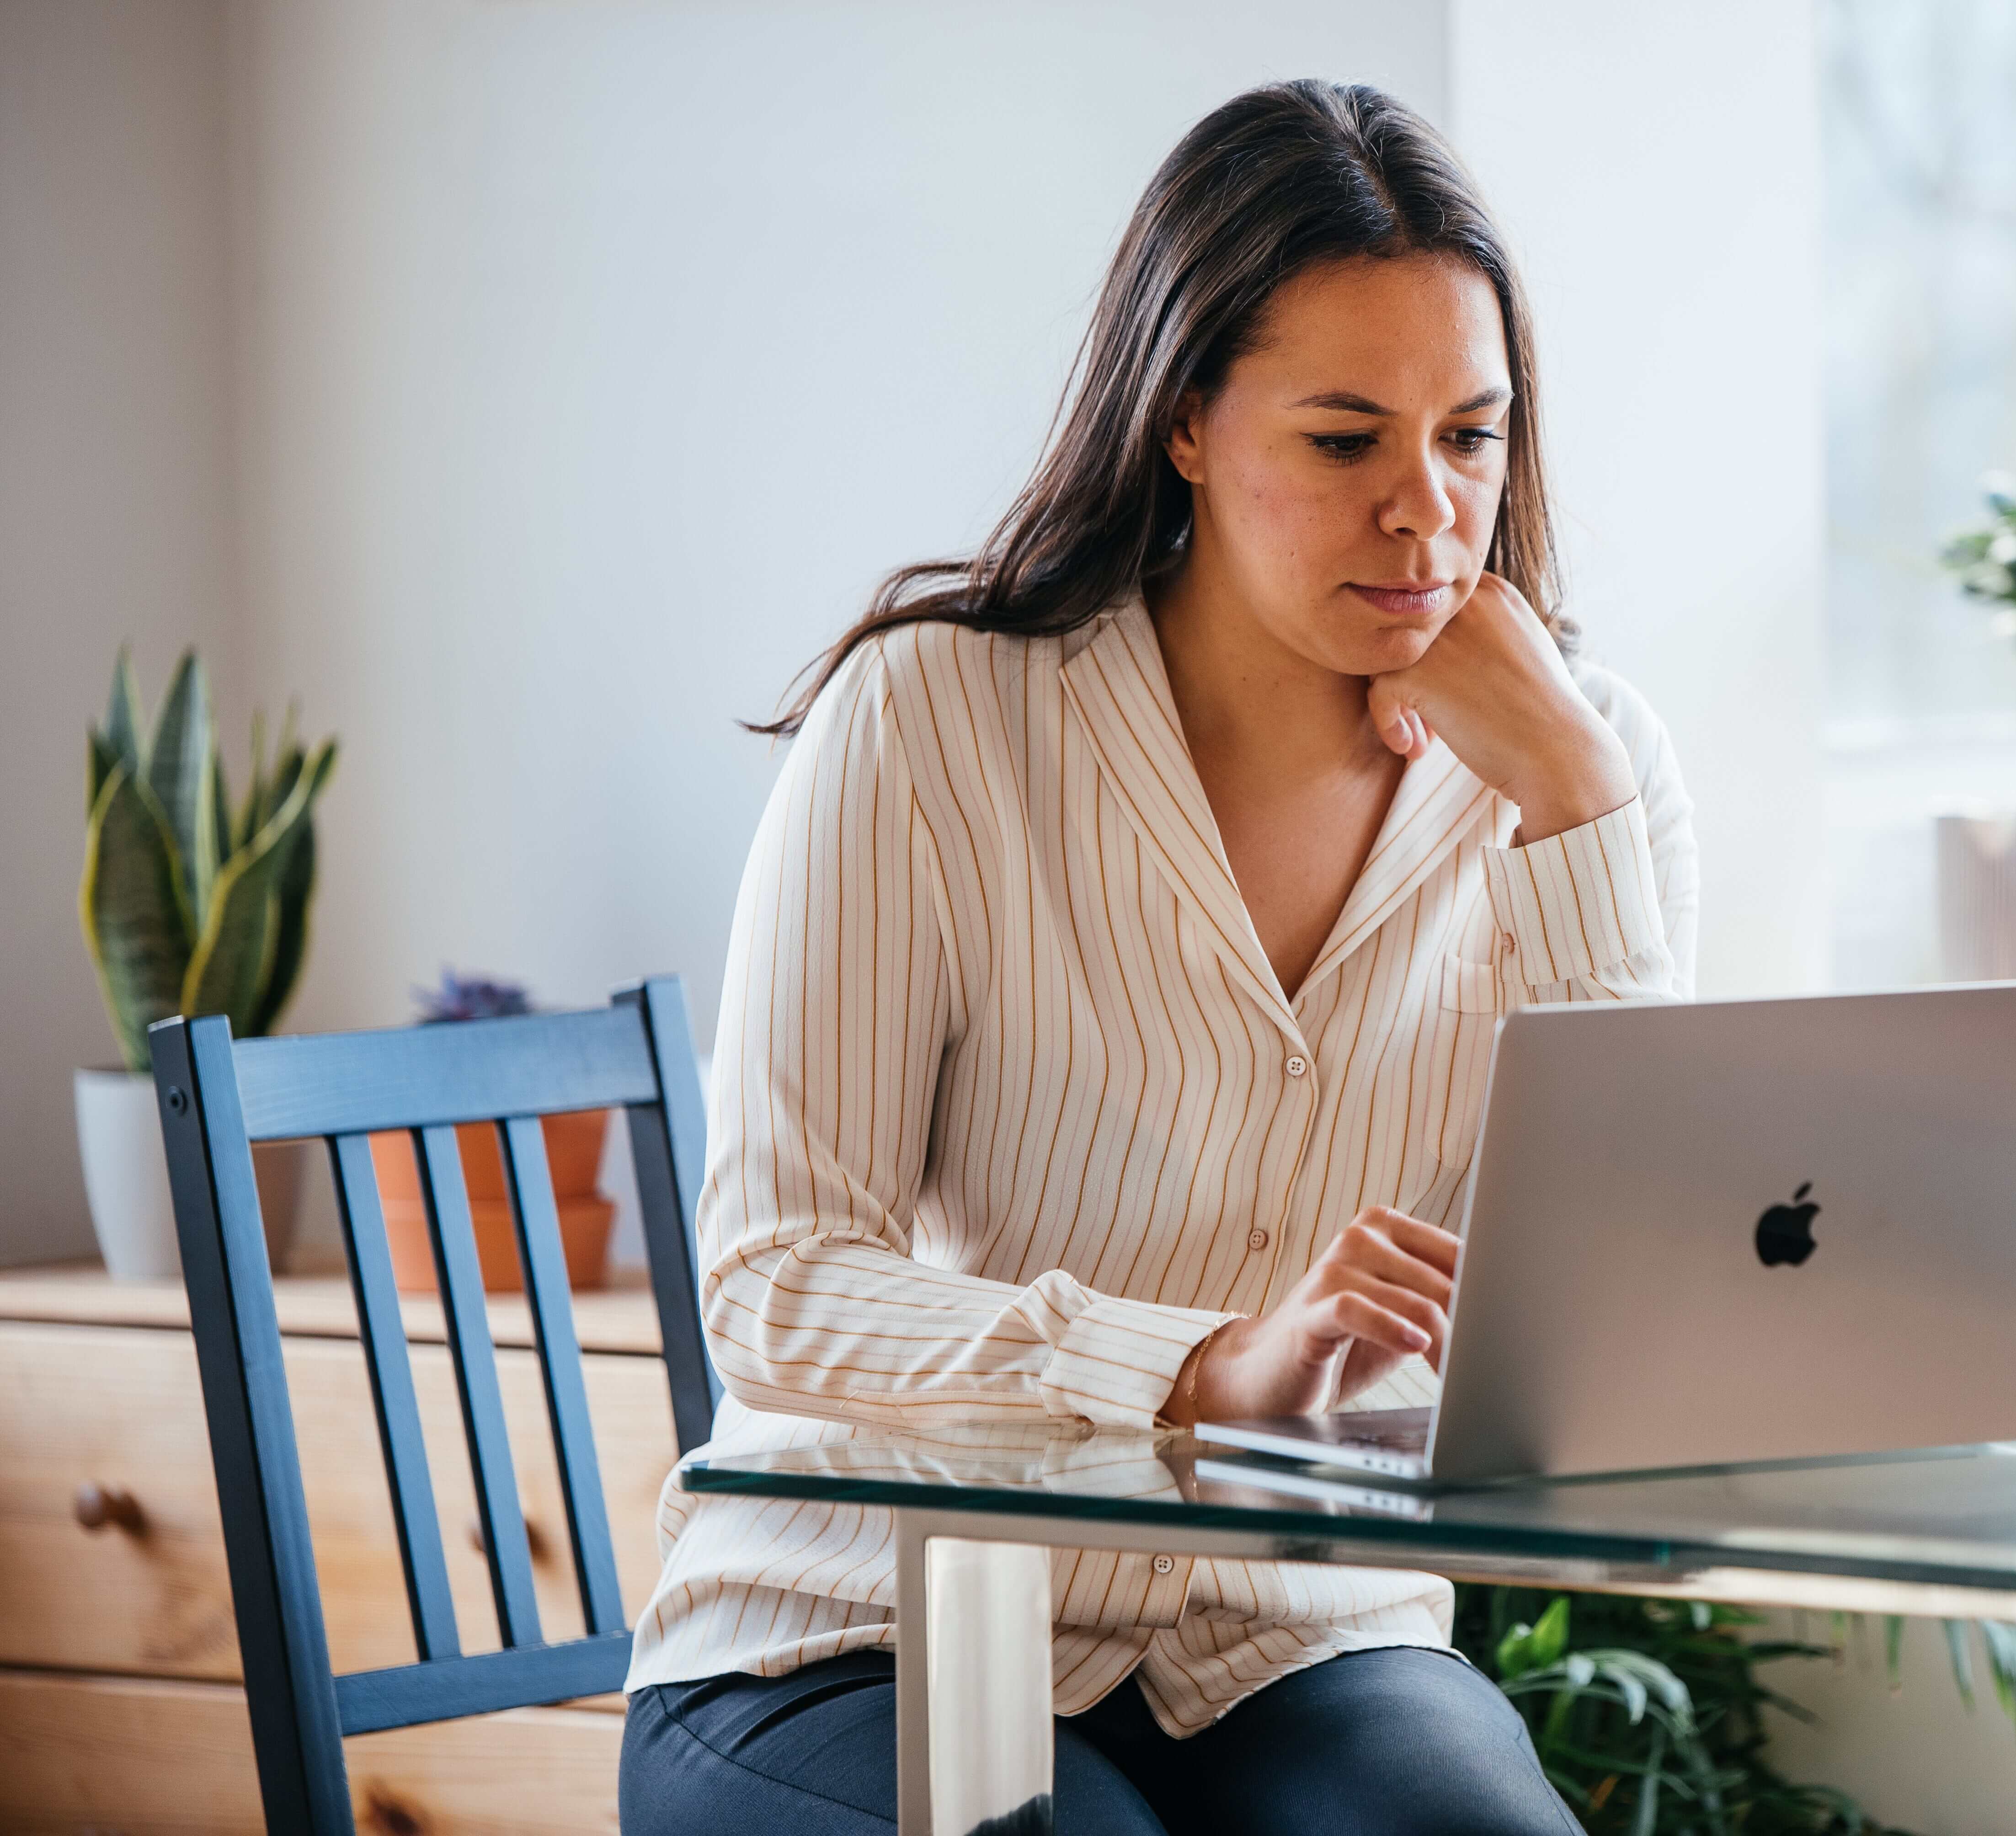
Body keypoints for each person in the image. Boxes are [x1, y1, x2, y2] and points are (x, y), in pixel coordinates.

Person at [619, 77, 1697, 1836]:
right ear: (1184, 422)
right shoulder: (934, 722)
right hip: (852, 1626)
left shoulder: (1593, 768)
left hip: (1291, 1636)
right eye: (1346, 443)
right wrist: (1192, 1374)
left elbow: (1639, 1290)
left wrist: (1573, 797)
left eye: (1472, 440)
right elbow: (775, 1284)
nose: (1426, 514)